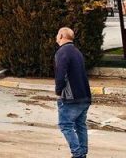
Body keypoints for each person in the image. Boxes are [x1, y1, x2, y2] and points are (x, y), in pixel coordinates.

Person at [54, 27, 91, 158]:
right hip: (84, 95)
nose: (56, 37)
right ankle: (82, 152)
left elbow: (60, 74)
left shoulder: (62, 52)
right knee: (80, 125)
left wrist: (58, 91)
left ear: (62, 36)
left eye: (58, 35)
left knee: (65, 125)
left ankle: (77, 154)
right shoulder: (77, 52)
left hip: (70, 97)